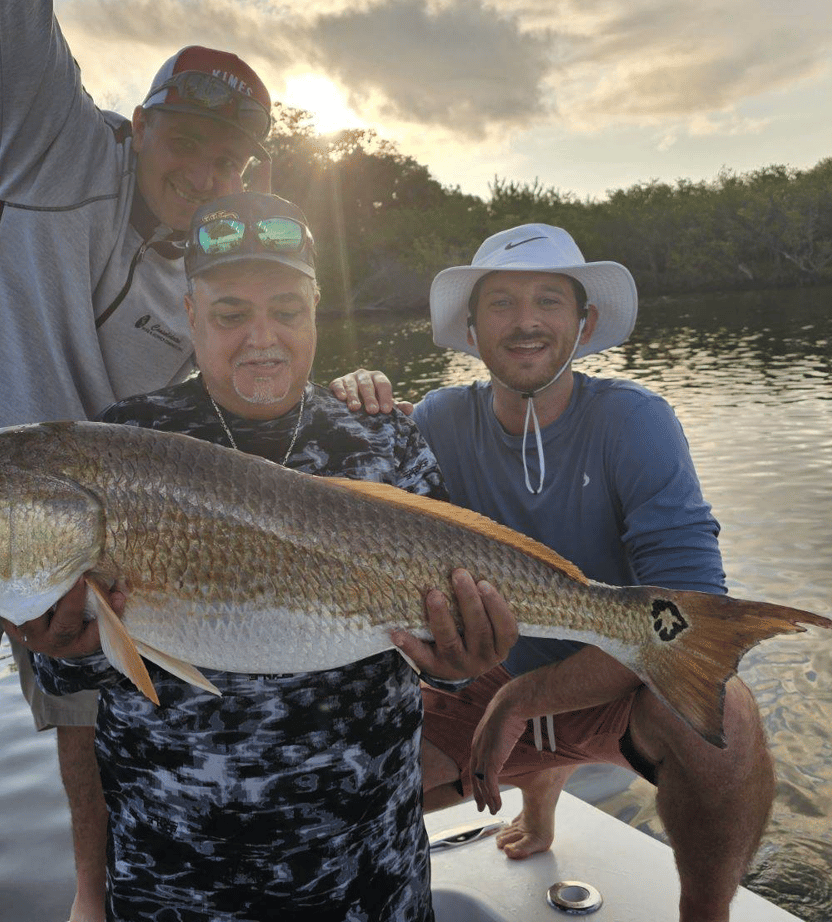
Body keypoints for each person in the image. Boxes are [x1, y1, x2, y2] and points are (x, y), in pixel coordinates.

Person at [0, 0, 278, 921]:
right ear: (138, 125)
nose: (202, 172)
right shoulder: (50, 137)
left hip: (79, 515)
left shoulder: (206, 281)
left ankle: (94, 909)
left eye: (229, 159)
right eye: (185, 143)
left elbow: (250, 395)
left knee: (92, 711)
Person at [28, 191, 518, 922]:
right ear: (189, 315)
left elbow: (441, 644)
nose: (262, 338)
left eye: (286, 310)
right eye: (230, 314)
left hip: (368, 877)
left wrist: (460, 662)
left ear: (316, 314)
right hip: (173, 882)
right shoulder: (125, 445)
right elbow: (80, 664)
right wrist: (56, 647)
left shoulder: (384, 439)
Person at [331, 223, 776, 922]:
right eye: (501, 303)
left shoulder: (638, 422)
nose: (526, 322)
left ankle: (706, 915)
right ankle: (540, 800)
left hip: (619, 687)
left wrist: (523, 700)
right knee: (344, 792)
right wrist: (353, 398)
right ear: (473, 330)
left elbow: (686, 620)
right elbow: (344, 497)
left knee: (721, 718)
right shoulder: (438, 422)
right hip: (490, 676)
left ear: (584, 322)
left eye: (548, 300)